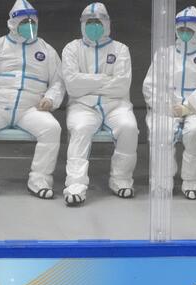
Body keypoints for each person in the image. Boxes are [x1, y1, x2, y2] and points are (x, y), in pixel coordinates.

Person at [0, 0, 65, 199]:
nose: (29, 26)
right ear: (13, 23)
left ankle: (39, 179)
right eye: (24, 22)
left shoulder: (47, 50)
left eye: (33, 22)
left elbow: (58, 81)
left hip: (31, 109)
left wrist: (50, 99)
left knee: (52, 129)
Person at [61, 2, 139, 207]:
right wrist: (105, 79)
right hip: (82, 106)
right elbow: (72, 85)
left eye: (98, 21)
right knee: (80, 129)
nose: (93, 25)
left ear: (107, 23)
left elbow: (121, 86)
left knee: (129, 128)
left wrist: (87, 82)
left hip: (116, 105)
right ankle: (75, 185)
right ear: (82, 24)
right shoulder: (72, 49)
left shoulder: (121, 49)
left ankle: (121, 179)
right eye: (89, 21)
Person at [142, 6, 196, 200]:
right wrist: (166, 106)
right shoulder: (164, 54)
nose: (184, 33)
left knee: (194, 133)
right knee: (162, 133)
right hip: (167, 108)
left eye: (189, 30)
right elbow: (150, 85)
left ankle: (192, 181)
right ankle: (162, 182)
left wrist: (188, 107)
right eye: (181, 30)